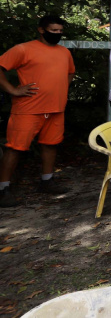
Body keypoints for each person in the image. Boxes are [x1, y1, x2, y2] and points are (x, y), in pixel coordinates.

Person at [0, 16, 75, 207]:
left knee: (50, 144)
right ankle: (3, 189)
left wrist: (60, 91)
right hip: (28, 109)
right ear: (41, 30)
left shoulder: (64, 52)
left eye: (60, 31)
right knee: (15, 147)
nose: (58, 34)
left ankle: (47, 181)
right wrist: (13, 90)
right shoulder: (23, 49)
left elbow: (70, 72)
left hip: (56, 109)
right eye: (54, 30)